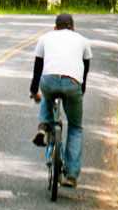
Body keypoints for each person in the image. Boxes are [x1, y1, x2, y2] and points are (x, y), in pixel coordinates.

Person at [30, 11, 91, 187]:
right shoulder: (82, 40)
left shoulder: (45, 38)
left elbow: (38, 68)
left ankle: (44, 124)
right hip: (73, 83)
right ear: (73, 28)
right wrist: (80, 92)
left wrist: (34, 91)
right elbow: (85, 71)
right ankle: (71, 175)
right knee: (75, 127)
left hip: (48, 80)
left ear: (55, 28)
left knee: (47, 93)